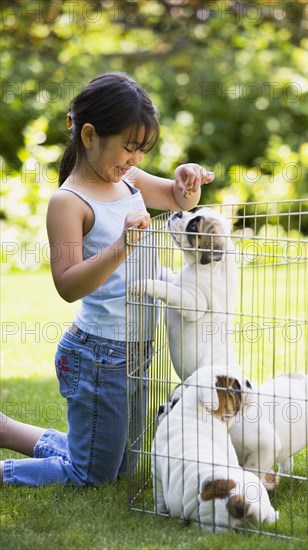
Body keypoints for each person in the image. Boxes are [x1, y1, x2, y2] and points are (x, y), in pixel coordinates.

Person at [0, 72, 214, 486]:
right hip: (98, 354)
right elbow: (67, 285)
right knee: (91, 476)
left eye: (141, 150)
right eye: (128, 148)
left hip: (137, 346)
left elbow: (177, 198)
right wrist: (121, 246)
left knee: (120, 466)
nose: (134, 159)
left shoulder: (129, 181)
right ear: (90, 135)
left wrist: (188, 179)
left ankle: (7, 430)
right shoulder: (69, 201)